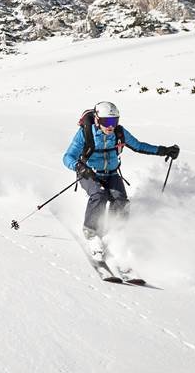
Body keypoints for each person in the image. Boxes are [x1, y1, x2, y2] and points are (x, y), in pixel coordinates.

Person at [62, 101, 179, 259]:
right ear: (97, 119)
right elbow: (67, 157)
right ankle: (91, 233)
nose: (110, 126)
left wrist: (163, 150)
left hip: (111, 173)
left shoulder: (119, 132)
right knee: (99, 195)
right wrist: (79, 167)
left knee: (121, 201)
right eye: (106, 122)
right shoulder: (85, 133)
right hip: (90, 173)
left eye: (114, 121)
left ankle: (113, 233)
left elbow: (138, 146)